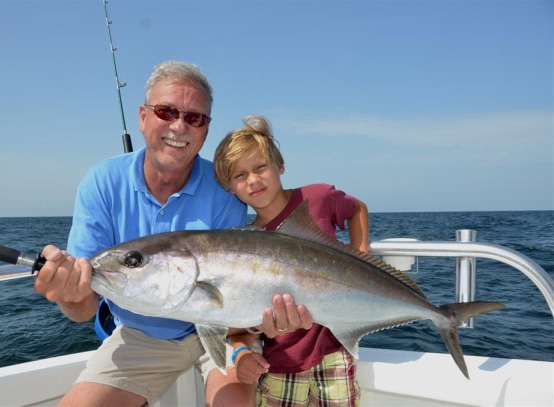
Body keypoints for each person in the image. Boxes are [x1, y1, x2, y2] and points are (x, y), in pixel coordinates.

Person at [34, 61, 313, 407]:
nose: (179, 126)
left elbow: (237, 292)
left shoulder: (224, 188)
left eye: (195, 118)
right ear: (142, 117)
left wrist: (262, 324)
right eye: (167, 111)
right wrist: (69, 293)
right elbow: (84, 309)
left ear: (206, 129)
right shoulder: (102, 184)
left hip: (220, 331)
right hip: (141, 335)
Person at [213, 115, 369, 407]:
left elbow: (357, 208)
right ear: (230, 187)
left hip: (334, 349)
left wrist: (361, 255)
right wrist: (241, 355)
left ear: (280, 166)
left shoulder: (317, 198)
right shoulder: (244, 246)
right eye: (240, 175)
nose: (253, 180)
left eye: (260, 167)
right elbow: (237, 329)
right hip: (279, 362)